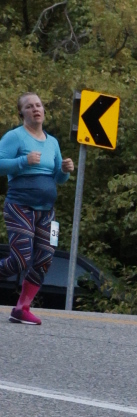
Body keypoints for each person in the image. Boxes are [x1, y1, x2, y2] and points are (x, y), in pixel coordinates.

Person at [0, 92, 71, 327]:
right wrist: (23, 161)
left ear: (44, 110)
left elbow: (58, 178)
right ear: (22, 113)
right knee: (21, 259)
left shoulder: (53, 142)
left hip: (47, 211)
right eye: (29, 106)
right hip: (20, 206)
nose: (35, 109)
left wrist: (65, 170)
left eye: (38, 105)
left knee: (45, 258)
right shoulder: (15, 137)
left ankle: (22, 309)